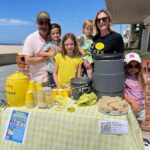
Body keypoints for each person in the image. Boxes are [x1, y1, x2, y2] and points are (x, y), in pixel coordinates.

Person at [22, 11, 51, 86]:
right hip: (39, 81)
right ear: (37, 24)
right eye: (41, 23)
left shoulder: (53, 37)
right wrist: (46, 57)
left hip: (54, 79)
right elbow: (28, 60)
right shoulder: (30, 38)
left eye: (46, 23)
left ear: (49, 25)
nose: (44, 26)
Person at [124, 52, 145, 126]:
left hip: (141, 108)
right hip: (130, 108)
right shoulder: (124, 77)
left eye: (136, 66)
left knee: (138, 129)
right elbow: (123, 93)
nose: (133, 69)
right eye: (130, 66)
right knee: (130, 128)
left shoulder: (141, 77)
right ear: (125, 66)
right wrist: (133, 102)